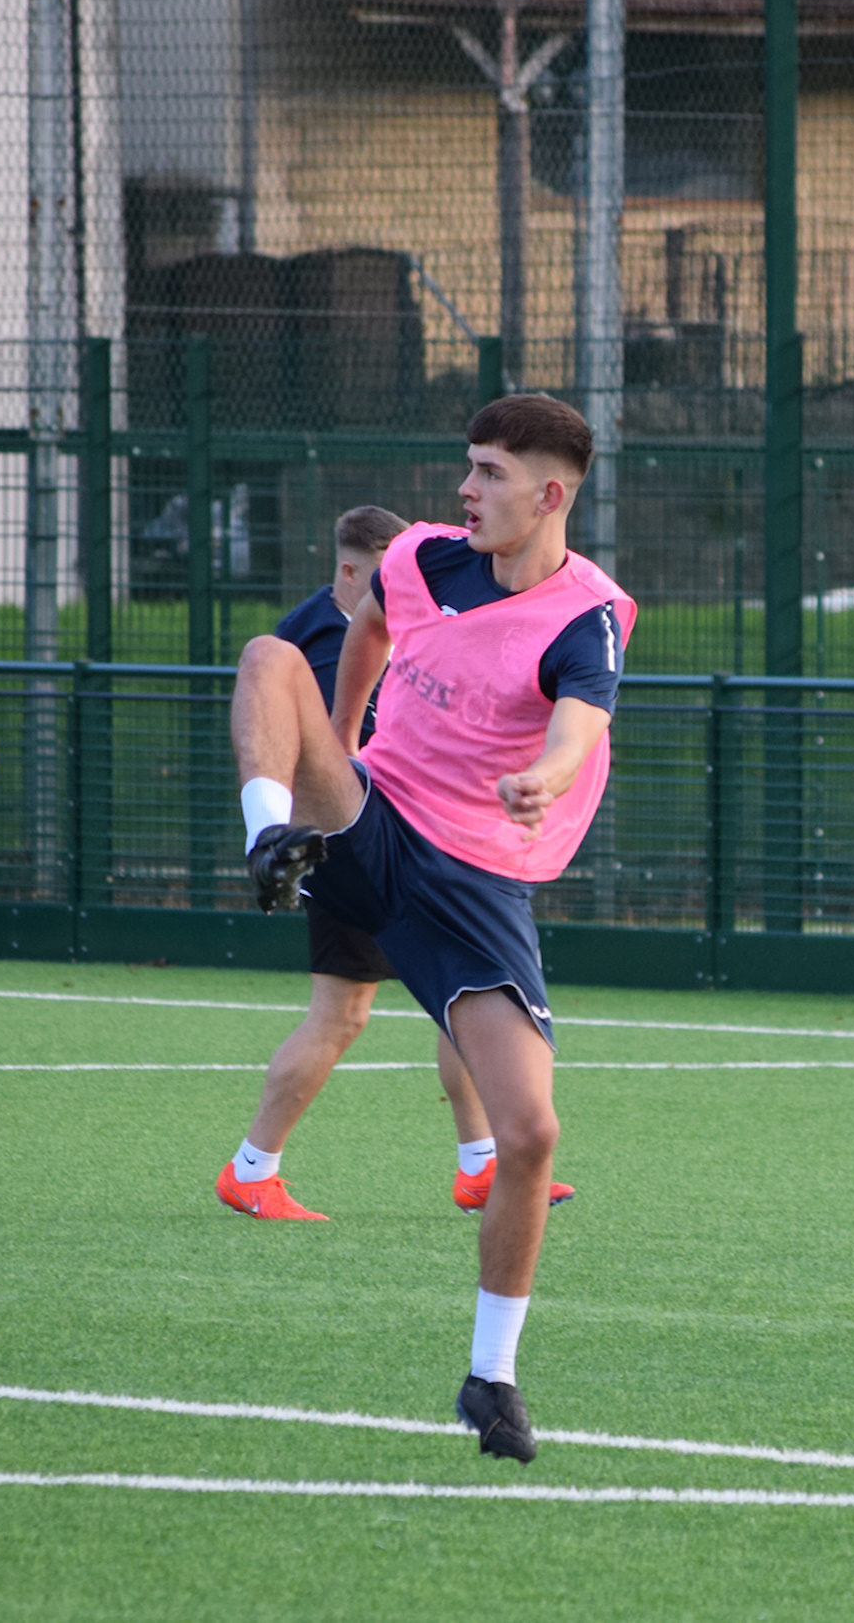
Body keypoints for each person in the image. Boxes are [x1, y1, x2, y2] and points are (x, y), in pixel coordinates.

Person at [231, 395, 633, 1464]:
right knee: (271, 657)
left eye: (490, 472)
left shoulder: (584, 614)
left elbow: (579, 722)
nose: (466, 488)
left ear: (549, 494)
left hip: (471, 884)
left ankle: (491, 1379)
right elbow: (365, 624)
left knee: (531, 1133)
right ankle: (268, 841)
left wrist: (542, 778)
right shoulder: (422, 557)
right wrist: (347, 738)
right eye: (468, 467)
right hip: (367, 826)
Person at [215, 505, 577, 1222]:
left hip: (436, 841)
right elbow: (283, 729)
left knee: (463, 1009)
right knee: (340, 1016)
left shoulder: (433, 611)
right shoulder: (310, 633)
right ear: (350, 571)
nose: (404, 590)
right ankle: (253, 1167)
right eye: (386, 576)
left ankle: (480, 1166)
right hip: (352, 838)